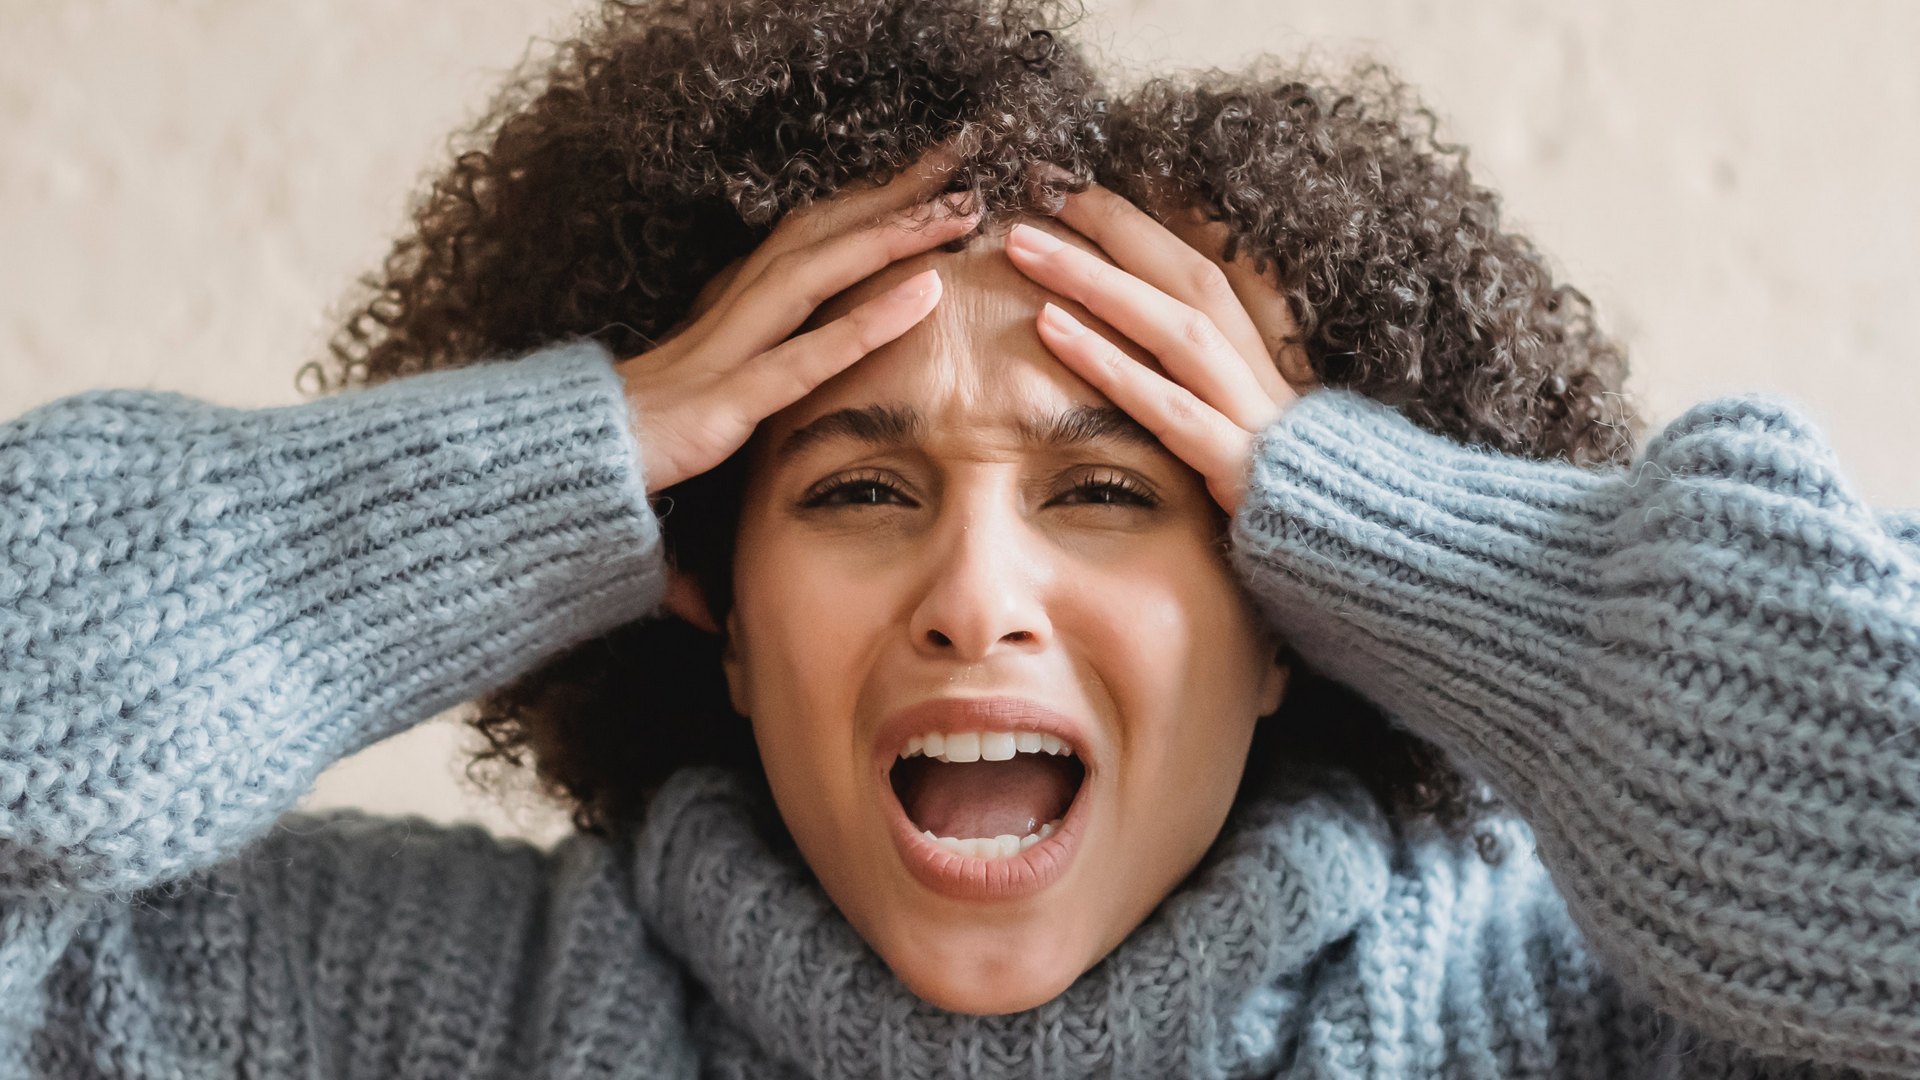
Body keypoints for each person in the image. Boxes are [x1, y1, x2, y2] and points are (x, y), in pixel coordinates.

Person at [3, 0, 1916, 1076]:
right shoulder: (397, 1017)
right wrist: (546, 466)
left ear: (1292, 615)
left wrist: (1417, 539)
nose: (976, 598)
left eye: (1111, 489)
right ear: (716, 608)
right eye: (854, 489)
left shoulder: (1558, 1026)